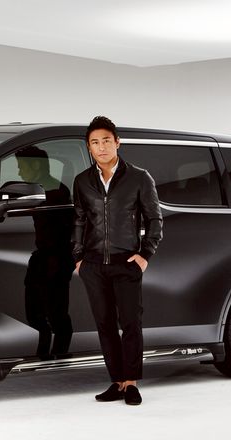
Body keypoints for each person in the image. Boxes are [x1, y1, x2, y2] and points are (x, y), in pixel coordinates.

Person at [72, 116, 163, 405]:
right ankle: (117, 382)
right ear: (89, 147)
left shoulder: (139, 177)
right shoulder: (82, 181)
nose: (101, 147)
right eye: (95, 143)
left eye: (106, 141)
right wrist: (79, 259)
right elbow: (79, 220)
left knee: (131, 323)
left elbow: (155, 219)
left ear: (117, 142)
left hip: (127, 262)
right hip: (93, 264)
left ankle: (132, 382)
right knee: (105, 324)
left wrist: (145, 255)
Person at [16, 146, 74, 359]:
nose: (19, 172)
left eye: (22, 166)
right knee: (36, 314)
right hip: (43, 258)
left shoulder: (57, 193)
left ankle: (58, 357)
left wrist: (55, 262)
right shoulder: (39, 190)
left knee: (56, 314)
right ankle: (46, 355)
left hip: (55, 259)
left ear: (35, 165)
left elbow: (64, 233)